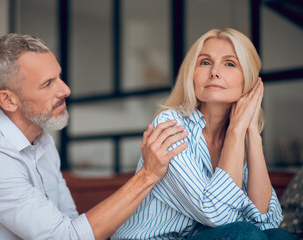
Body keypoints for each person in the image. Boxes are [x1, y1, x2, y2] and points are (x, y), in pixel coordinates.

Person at [0, 33, 189, 240]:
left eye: (59, 76)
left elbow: (72, 221)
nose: (65, 90)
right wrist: (147, 175)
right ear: (8, 100)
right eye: (47, 84)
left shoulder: (43, 142)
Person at [112, 28, 295, 239]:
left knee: (279, 236)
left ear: (250, 82)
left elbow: (266, 219)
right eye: (205, 62)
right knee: (245, 234)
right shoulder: (171, 124)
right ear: (192, 74)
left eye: (229, 64)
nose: (214, 72)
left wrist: (252, 133)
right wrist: (236, 131)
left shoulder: (241, 136)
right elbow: (218, 214)